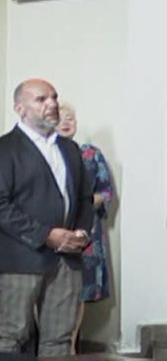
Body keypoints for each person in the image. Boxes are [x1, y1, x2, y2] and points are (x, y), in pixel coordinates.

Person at [0, 78, 95, 361]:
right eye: (41, 98)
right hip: (21, 256)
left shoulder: (69, 150)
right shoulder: (1, 150)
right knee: (12, 334)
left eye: (54, 97)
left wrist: (81, 232)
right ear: (20, 108)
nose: (51, 104)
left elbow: (85, 199)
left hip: (66, 258)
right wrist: (45, 234)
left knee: (59, 336)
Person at [57, 103, 118, 329]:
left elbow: (106, 191)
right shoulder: (47, 155)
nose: (66, 123)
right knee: (54, 288)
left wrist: (86, 201)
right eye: (60, 119)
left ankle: (71, 344)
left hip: (87, 229)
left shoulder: (90, 154)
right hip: (56, 229)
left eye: (70, 118)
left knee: (79, 290)